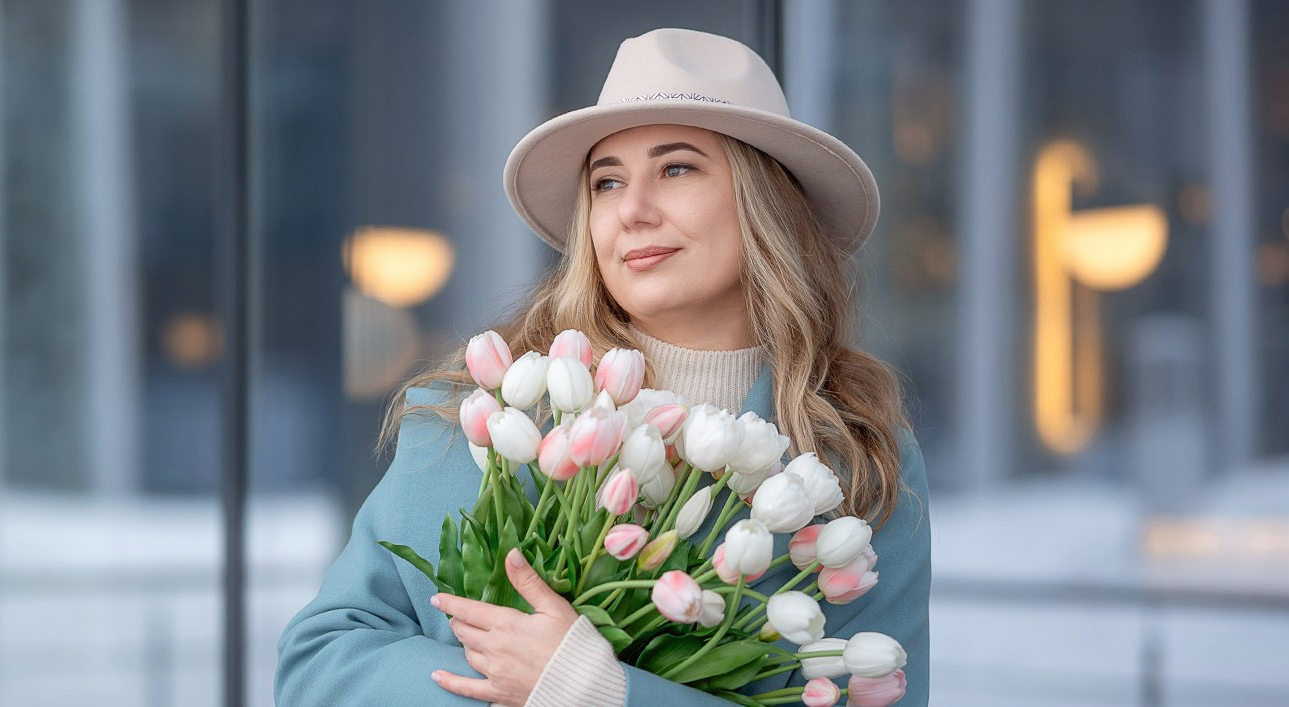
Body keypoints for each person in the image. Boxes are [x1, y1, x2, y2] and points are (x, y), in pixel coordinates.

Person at [276, 28, 930, 706]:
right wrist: (514, 688)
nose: (633, 211)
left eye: (676, 169)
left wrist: (595, 689)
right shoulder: (486, 415)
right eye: (607, 181)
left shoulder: (858, 455)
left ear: (764, 198)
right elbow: (321, 662)